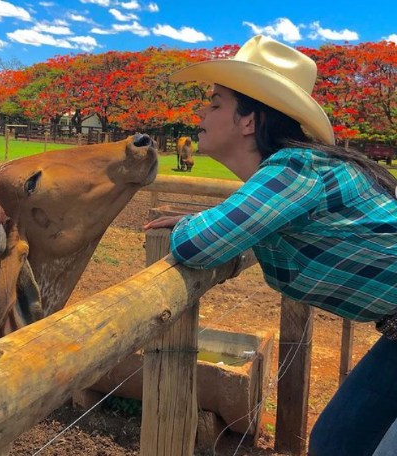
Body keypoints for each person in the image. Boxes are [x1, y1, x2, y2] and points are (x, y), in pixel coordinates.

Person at [143, 35, 397, 456]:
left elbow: (197, 244)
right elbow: (228, 227)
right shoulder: (290, 175)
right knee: (337, 442)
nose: (201, 112)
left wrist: (193, 224)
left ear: (249, 121)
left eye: (216, 102)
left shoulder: (294, 168)